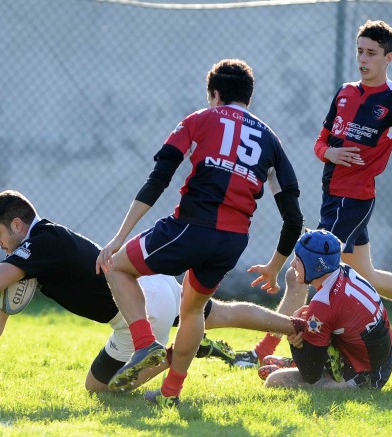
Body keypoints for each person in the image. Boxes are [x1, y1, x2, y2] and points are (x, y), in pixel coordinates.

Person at [234, 19, 392, 367]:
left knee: (301, 272)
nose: (363, 59)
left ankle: (263, 352)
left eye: (371, 53)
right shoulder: (344, 93)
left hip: (353, 201)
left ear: (388, 57)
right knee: (367, 276)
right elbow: (319, 143)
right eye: (359, 51)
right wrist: (330, 153)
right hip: (333, 198)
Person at [0, 190, 300, 394]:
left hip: (135, 314)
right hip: (151, 286)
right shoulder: (42, 244)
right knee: (221, 312)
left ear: (17, 224)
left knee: (98, 388)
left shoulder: (40, 243)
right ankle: (298, 328)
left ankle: (184, 350)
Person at [96, 59, 304, 408]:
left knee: (117, 267)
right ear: (248, 97)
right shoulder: (271, 140)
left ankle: (145, 344)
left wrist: (118, 238)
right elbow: (294, 219)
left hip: (192, 227)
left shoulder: (199, 119)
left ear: (215, 94)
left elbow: (158, 179)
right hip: (232, 242)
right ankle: (170, 393)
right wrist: (274, 266)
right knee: (193, 311)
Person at [264, 229, 392, 390]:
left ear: (315, 265)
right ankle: (320, 361)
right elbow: (341, 314)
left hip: (369, 375)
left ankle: (315, 364)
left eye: (298, 259)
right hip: (386, 351)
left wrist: (295, 342)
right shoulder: (345, 270)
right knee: (313, 330)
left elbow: (311, 375)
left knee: (274, 381)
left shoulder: (323, 304)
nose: (292, 264)